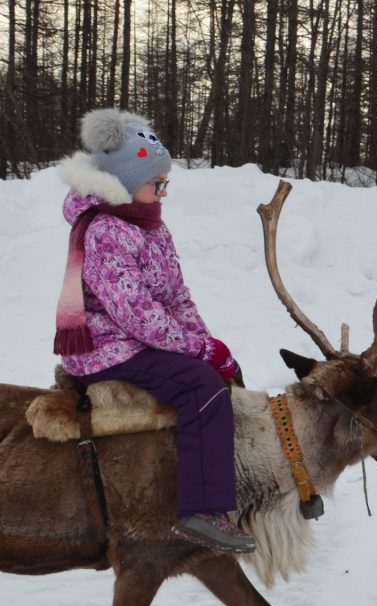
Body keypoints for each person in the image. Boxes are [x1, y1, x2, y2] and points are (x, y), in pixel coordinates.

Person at [53, 107, 254, 554]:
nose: (164, 193)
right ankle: (200, 510)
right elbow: (137, 314)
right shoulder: (106, 231)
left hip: (138, 341)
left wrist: (211, 345)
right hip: (106, 348)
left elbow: (177, 297)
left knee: (218, 373)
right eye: (156, 184)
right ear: (124, 184)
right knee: (201, 387)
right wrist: (199, 355)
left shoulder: (151, 226)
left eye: (167, 183)